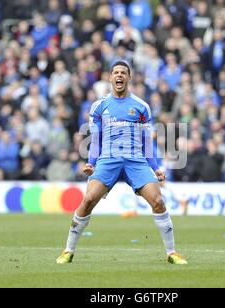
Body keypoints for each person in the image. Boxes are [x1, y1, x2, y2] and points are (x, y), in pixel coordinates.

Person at [56, 61, 187, 265]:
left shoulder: (141, 106)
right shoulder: (99, 106)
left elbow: (146, 141)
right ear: (110, 77)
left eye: (123, 73)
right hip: (108, 160)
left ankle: (171, 253)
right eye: (116, 72)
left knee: (158, 202)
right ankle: (68, 250)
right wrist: (91, 162)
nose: (119, 76)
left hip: (136, 161)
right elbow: (96, 139)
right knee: (88, 199)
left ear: (129, 78)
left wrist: (155, 167)